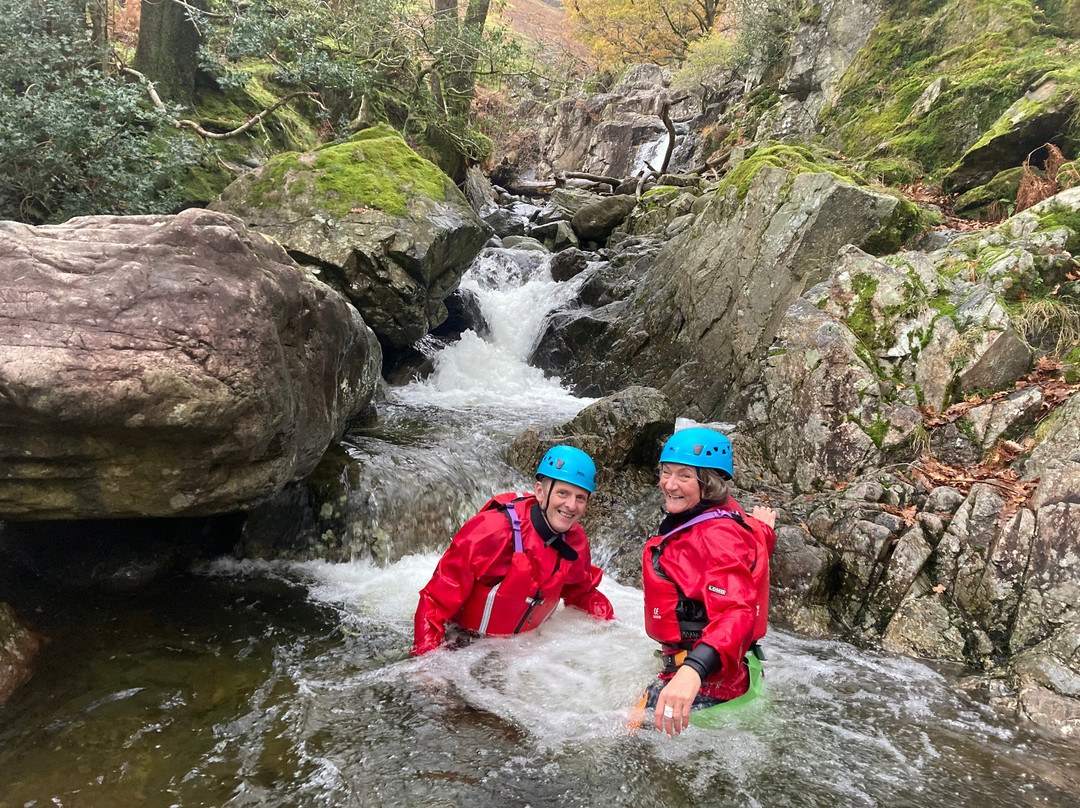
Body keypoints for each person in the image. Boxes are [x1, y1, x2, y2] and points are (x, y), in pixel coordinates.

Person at [411, 445, 615, 655]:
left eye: (580, 498)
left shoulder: (575, 540)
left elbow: (581, 593)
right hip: (463, 644)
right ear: (540, 492)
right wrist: (428, 662)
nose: (571, 505)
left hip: (527, 652)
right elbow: (433, 603)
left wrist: (614, 628)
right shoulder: (492, 531)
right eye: (563, 493)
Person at [642, 427, 776, 736]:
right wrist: (766, 531)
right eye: (666, 472)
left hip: (708, 687)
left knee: (622, 741)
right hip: (735, 673)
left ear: (709, 484)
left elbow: (736, 612)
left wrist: (692, 671)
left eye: (685, 476)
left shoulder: (715, 537)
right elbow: (748, 550)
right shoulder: (730, 516)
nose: (670, 484)